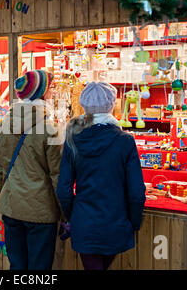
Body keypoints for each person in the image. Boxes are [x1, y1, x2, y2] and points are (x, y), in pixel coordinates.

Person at [56, 82, 146, 271]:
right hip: (116, 222)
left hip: (84, 223)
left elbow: (63, 189)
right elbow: (137, 193)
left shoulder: (73, 138)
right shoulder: (125, 141)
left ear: (84, 106)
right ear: (111, 105)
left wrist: (74, 216)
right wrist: (134, 223)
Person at [0, 70, 62, 270]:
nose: (53, 91)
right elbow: (57, 175)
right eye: (50, 87)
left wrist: (8, 194)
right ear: (42, 93)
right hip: (40, 210)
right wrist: (66, 214)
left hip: (11, 206)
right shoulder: (50, 128)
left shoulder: (5, 123)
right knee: (39, 268)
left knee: (17, 266)